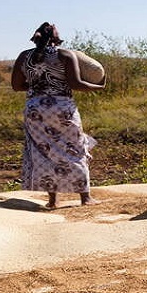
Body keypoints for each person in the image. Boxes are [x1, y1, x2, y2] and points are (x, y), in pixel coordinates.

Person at [11, 22, 106, 208]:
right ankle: (85, 198)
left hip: (35, 110)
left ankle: (53, 200)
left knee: (43, 152)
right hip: (61, 109)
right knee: (75, 148)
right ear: (55, 36)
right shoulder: (64, 55)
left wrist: (38, 86)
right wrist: (100, 85)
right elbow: (76, 83)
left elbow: (16, 86)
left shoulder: (24, 56)